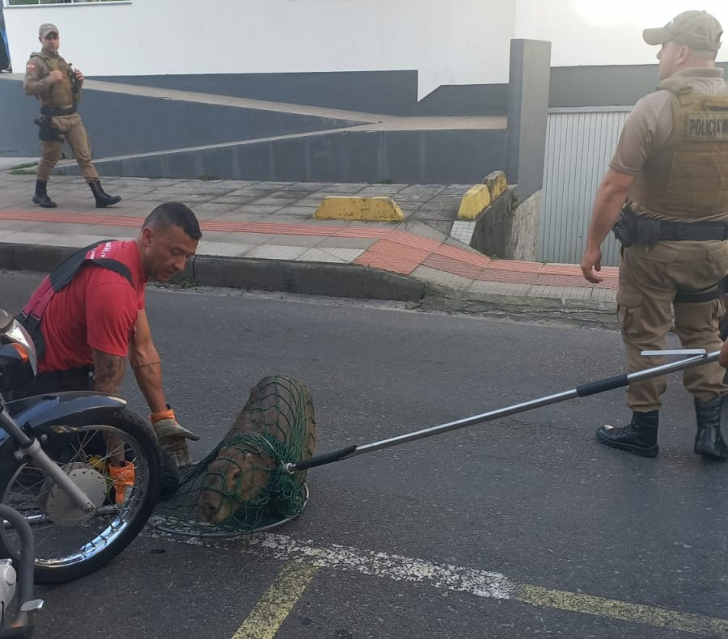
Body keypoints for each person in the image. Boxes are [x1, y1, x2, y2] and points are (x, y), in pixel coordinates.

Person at [580, 10, 728, 460]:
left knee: (645, 336)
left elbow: (615, 186)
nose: (659, 56)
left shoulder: (655, 106)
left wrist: (592, 246)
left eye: (662, 47)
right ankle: (711, 433)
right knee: (703, 334)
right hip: (715, 252)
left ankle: (643, 431)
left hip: (654, 251)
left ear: (681, 51)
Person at [15, 202, 203, 477]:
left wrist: (163, 418)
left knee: (157, 464)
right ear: (149, 237)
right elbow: (106, 388)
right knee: (160, 479)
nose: (181, 266)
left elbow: (143, 348)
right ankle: (39, 468)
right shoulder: (113, 288)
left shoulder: (124, 258)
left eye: (187, 256)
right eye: (176, 253)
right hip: (45, 388)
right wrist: (120, 468)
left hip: (52, 371)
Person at [23, 23, 120, 209]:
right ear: (40, 40)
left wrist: (78, 82)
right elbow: (28, 88)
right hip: (53, 118)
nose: (52, 41)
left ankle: (99, 195)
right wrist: (48, 79)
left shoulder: (61, 61)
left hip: (72, 116)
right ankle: (39, 192)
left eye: (55, 37)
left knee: (84, 156)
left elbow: (70, 92)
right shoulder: (37, 62)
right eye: (48, 38)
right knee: (50, 157)